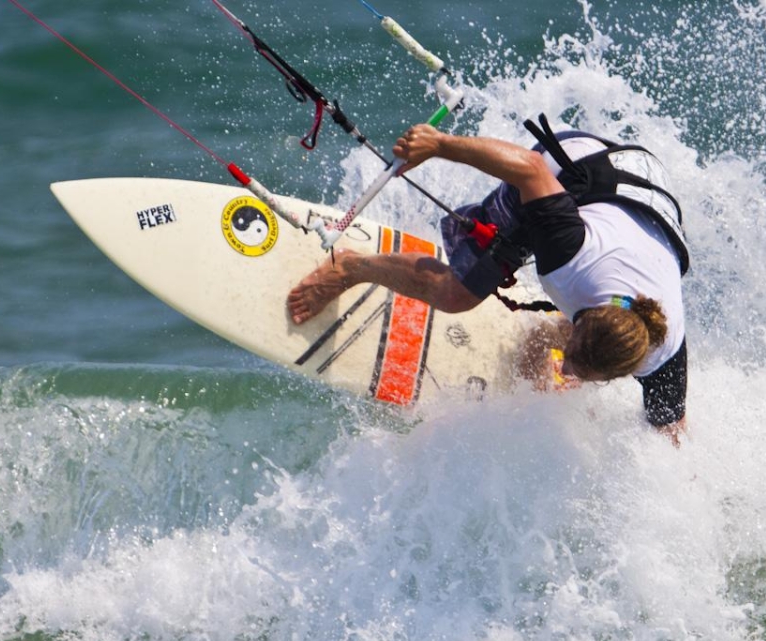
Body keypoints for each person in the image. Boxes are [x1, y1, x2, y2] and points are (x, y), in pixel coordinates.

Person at [287, 116, 690, 444]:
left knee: (590, 355)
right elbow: (530, 170)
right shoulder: (571, 257)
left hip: (643, 189)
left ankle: (543, 335)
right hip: (576, 166)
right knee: (457, 294)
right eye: (572, 356)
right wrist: (438, 145)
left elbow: (671, 433)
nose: (566, 369)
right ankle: (351, 267)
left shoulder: (662, 356)